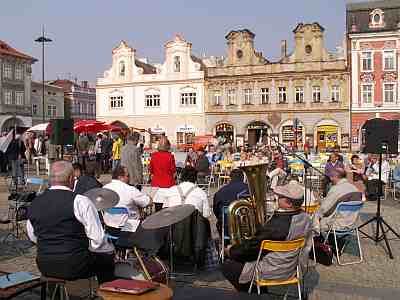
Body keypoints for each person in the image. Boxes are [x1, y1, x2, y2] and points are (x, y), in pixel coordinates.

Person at [26, 161, 115, 284]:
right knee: (107, 259)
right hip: (75, 264)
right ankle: (106, 294)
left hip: (44, 264)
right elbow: (98, 239)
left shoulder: (35, 202)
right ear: (70, 179)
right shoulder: (80, 201)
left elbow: (33, 236)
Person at [221, 181, 311, 292]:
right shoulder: (305, 218)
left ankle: (253, 293)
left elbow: (251, 249)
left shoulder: (278, 225)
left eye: (280, 197)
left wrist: (231, 250)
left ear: (289, 204)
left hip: (270, 270)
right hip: (292, 268)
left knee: (227, 265)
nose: (276, 198)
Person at [103, 166, 150, 237]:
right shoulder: (130, 190)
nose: (129, 178)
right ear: (120, 177)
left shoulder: (104, 188)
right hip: (128, 230)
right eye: (128, 176)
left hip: (109, 228)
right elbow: (148, 202)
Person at [313, 168, 359, 234]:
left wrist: (316, 213)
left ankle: (317, 240)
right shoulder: (355, 189)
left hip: (336, 224)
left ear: (332, 177)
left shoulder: (336, 189)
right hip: (352, 223)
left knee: (315, 216)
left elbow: (324, 210)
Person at [213, 169, 249, 235]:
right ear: (243, 178)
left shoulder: (220, 192)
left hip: (227, 227)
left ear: (230, 178)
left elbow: (216, 211)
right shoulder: (250, 189)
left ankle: (225, 242)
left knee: (219, 223)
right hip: (247, 225)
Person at [149, 136, 176, 211]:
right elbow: (173, 170)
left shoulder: (154, 156)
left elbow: (151, 170)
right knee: (168, 210)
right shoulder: (170, 156)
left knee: (158, 209)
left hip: (156, 185)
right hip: (168, 185)